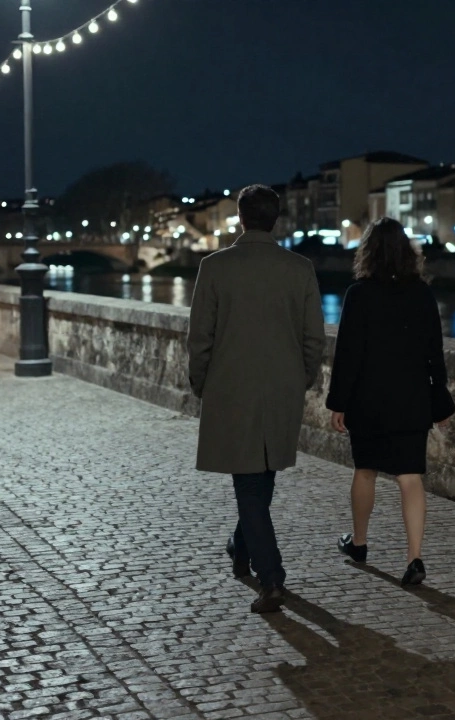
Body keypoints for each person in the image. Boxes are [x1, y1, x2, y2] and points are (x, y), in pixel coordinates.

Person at [187, 184, 325, 614]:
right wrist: (301, 378)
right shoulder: (299, 268)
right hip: (281, 389)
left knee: (252, 484)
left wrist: (201, 382)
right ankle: (240, 546)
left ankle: (271, 580)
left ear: (242, 219)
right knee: (259, 481)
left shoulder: (214, 267)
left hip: (233, 390)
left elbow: (200, 338)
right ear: (276, 219)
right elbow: (313, 338)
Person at [326, 217, 455, 587]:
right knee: (410, 478)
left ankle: (360, 543)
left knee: (365, 470)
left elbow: (347, 354)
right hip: (411, 399)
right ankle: (414, 558)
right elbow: (435, 354)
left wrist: (339, 403)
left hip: (368, 399)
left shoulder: (359, 294)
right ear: (407, 252)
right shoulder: (422, 294)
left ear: (368, 252)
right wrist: (439, 398)